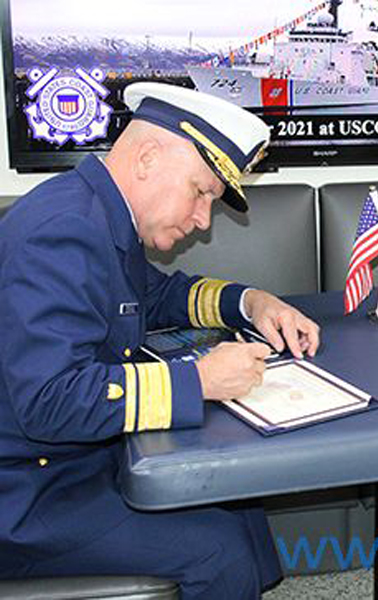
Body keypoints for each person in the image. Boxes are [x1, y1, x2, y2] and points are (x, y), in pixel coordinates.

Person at [0, 82, 320, 598]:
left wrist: (252, 302)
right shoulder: (61, 232)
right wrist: (199, 380)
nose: (202, 219)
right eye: (201, 192)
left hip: (71, 461)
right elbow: (49, 402)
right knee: (219, 552)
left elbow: (160, 296)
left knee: (238, 501)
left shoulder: (98, 214)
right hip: (27, 496)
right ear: (148, 157)